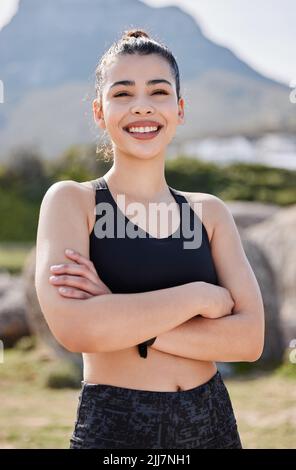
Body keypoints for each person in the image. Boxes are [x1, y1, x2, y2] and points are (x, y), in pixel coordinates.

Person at [35, 29, 265, 449]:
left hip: (211, 420)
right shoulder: (73, 202)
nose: (141, 106)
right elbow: (76, 328)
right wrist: (196, 296)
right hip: (116, 426)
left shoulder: (209, 212)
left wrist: (124, 319)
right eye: (122, 94)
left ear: (179, 109)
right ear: (99, 112)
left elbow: (249, 340)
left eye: (158, 91)